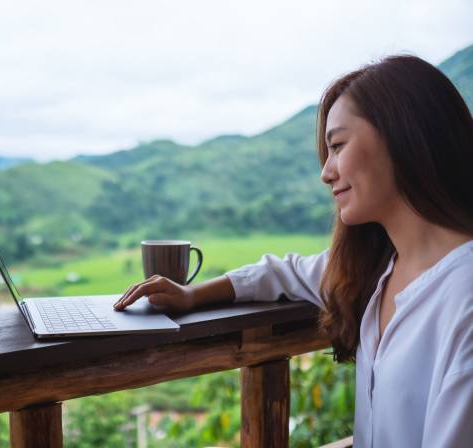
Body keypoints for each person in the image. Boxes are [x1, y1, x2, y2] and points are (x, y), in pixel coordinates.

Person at [113, 54, 473, 447]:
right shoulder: (380, 268)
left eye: (337, 145)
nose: (326, 171)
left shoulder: (462, 301)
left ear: (404, 135)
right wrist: (193, 294)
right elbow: (283, 272)